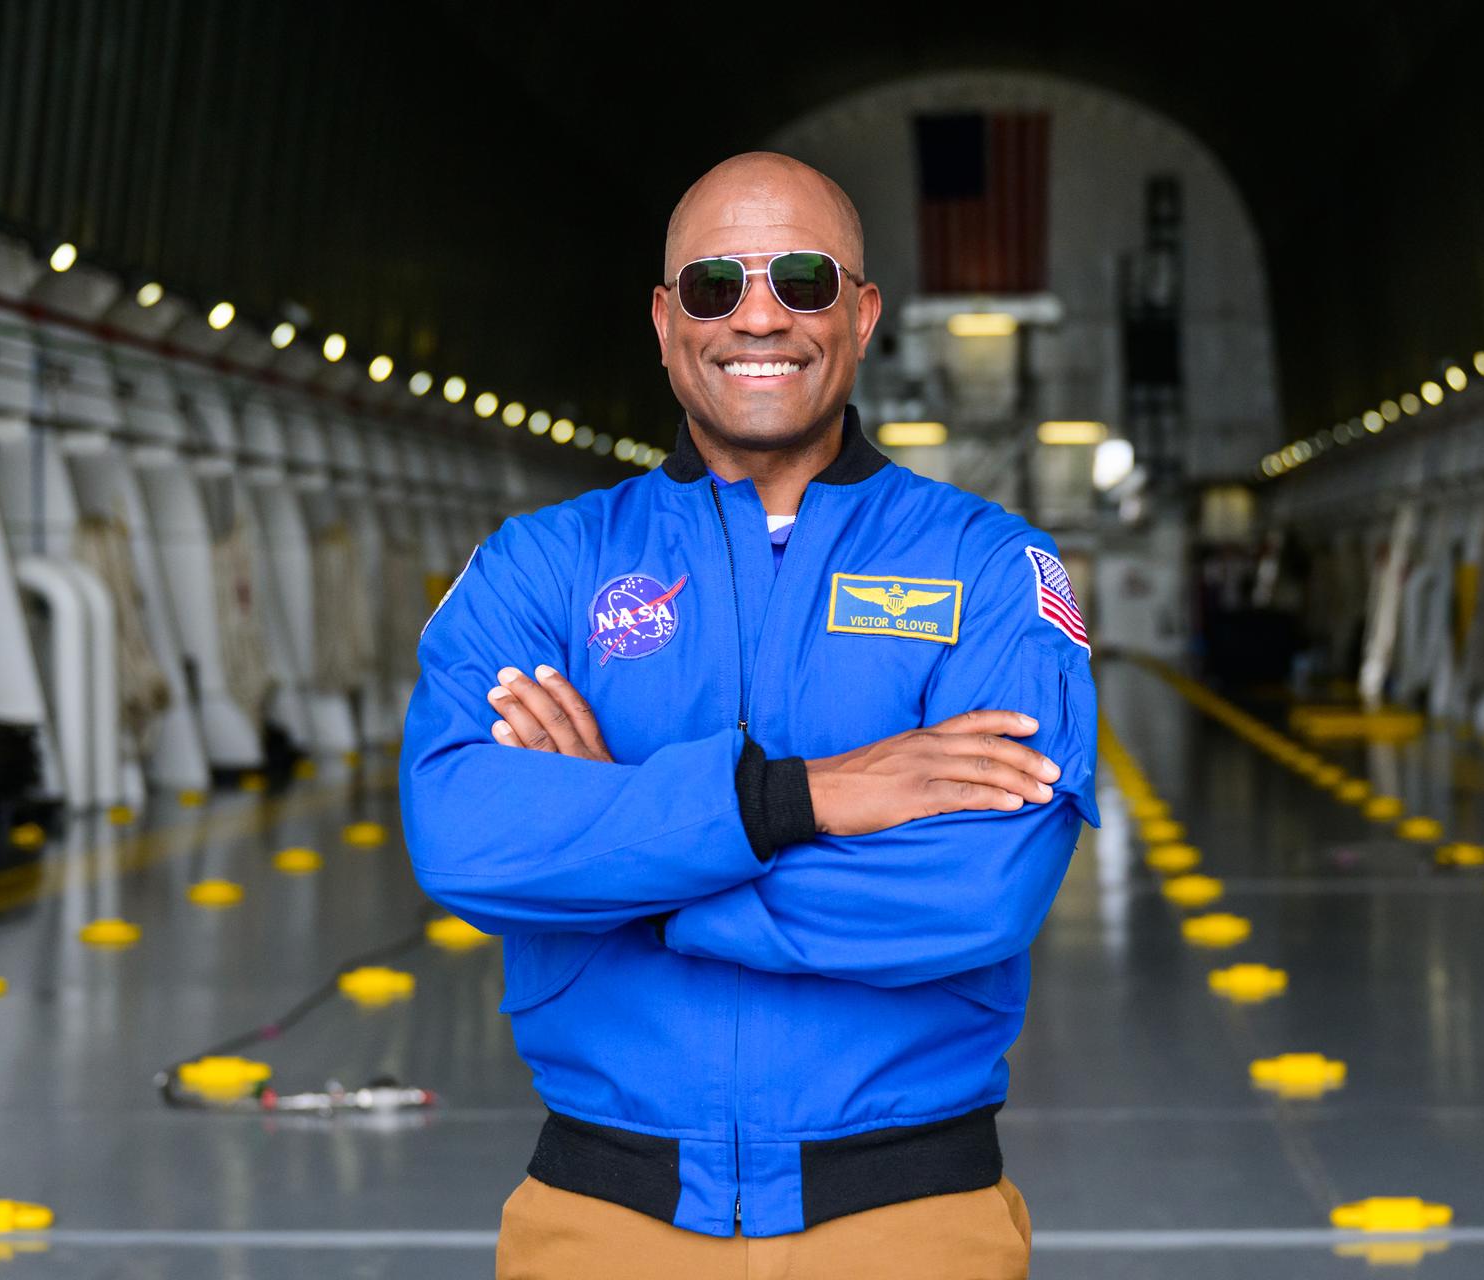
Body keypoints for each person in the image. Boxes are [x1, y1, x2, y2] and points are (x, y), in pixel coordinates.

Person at [399, 151, 1099, 1280]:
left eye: (806, 280)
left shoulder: (989, 566)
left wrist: (630, 879)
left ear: (863, 314)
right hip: (600, 1220)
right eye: (718, 284)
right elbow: (466, 835)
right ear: (668, 321)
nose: (761, 316)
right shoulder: (541, 567)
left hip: (911, 1220)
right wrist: (806, 797)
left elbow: (978, 888)